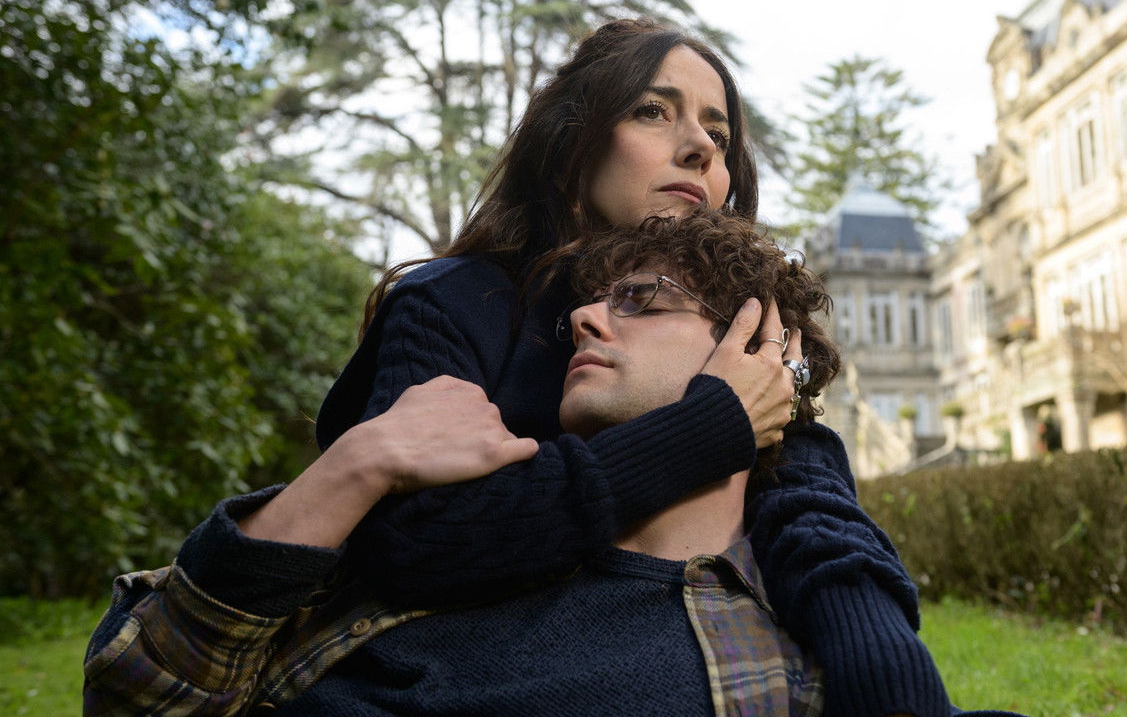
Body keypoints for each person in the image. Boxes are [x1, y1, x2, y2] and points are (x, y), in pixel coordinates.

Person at [88, 18, 974, 717]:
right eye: (654, 111)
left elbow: (810, 505)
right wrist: (704, 428)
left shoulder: (731, 328)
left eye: (718, 129)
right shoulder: (456, 303)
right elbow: (415, 540)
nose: (702, 146)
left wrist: (883, 666)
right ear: (571, 145)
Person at [83, 213, 832, 714]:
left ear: (760, 349)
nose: (583, 318)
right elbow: (139, 696)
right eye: (597, 300)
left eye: (641, 298)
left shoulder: (770, 656)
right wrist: (360, 460)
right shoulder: (459, 545)